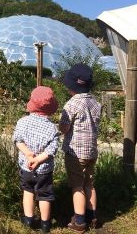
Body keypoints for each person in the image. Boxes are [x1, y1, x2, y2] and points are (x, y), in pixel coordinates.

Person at [59, 63, 101, 233]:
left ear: (72, 86)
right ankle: (92, 217)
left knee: (77, 186)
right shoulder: (96, 103)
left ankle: (79, 221)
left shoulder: (71, 105)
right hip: (91, 151)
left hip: (75, 153)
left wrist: (60, 127)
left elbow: (64, 128)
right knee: (89, 183)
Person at [12, 86, 59, 233]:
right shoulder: (52, 128)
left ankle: (28, 220)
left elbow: (18, 141)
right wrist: (38, 159)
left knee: (28, 191)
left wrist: (29, 155)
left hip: (26, 167)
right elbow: (52, 150)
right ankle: (45, 224)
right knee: (45, 195)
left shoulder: (23, 122)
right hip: (44, 170)